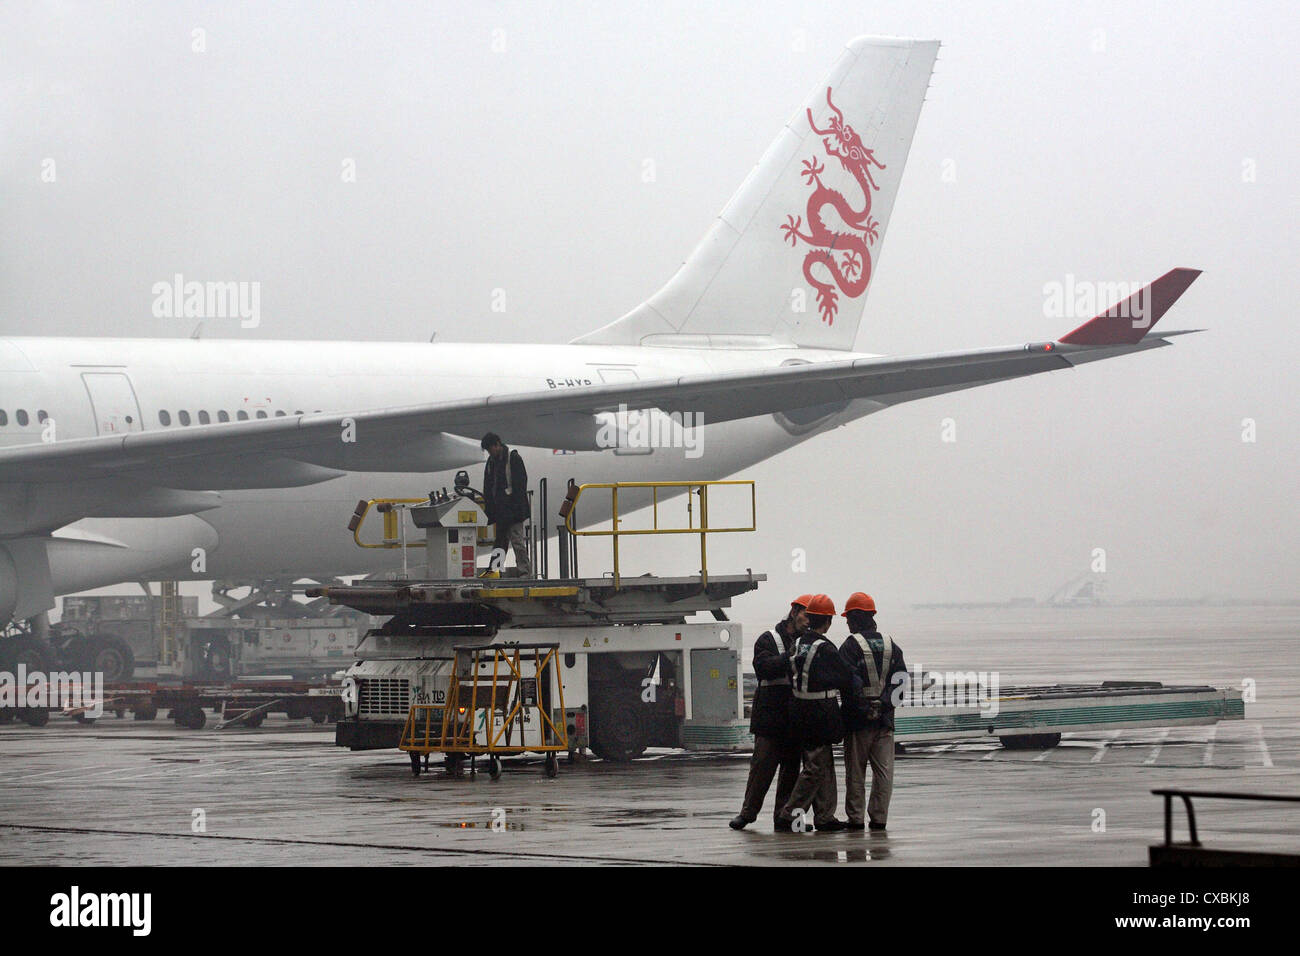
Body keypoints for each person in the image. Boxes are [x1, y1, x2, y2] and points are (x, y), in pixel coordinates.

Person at [729, 596, 811, 832]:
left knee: (791, 773)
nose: (808, 622)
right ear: (794, 612)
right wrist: (791, 656)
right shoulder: (768, 639)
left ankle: (784, 817)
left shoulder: (807, 642)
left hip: (793, 717)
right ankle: (747, 813)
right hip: (770, 718)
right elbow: (763, 668)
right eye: (806, 616)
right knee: (762, 768)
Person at [776, 594, 855, 833]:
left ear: (809, 617)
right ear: (828, 621)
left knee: (823, 764)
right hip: (819, 714)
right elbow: (845, 678)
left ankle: (824, 815)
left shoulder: (797, 644)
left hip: (799, 712)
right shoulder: (826, 648)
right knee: (815, 767)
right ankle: (789, 813)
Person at [838, 592, 907, 831]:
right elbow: (901, 681)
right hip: (885, 722)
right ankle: (879, 819)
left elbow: (847, 682)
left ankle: (855, 820)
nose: (846, 623)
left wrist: (865, 707)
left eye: (848, 618)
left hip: (858, 722)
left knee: (856, 773)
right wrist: (884, 705)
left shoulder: (849, 646)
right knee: (884, 773)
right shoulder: (891, 645)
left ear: (856, 618)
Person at [480, 432, 532, 578]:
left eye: (491, 449)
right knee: (500, 541)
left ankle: (525, 572)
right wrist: (490, 509)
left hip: (514, 510)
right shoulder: (491, 462)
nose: (491, 453)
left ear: (498, 444)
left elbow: (520, 484)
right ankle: (495, 570)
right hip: (501, 510)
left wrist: (515, 508)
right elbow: (488, 487)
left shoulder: (513, 459)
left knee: (516, 541)